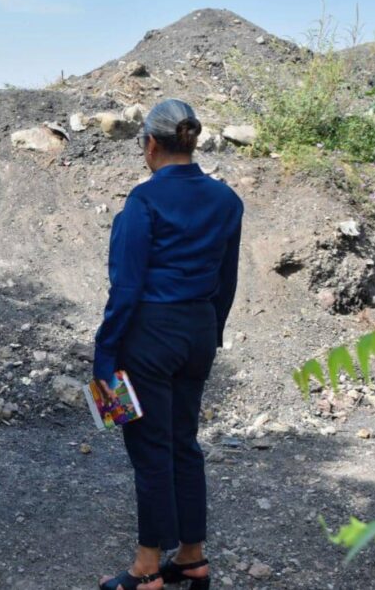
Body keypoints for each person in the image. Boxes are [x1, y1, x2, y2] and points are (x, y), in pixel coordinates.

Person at [94, 99, 243, 590]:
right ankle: (192, 557)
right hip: (198, 330)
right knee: (184, 444)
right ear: (191, 140)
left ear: (151, 144)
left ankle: (146, 568)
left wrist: (105, 352)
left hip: (149, 335)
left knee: (151, 450)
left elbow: (126, 288)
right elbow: (227, 279)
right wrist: (210, 331)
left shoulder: (144, 203)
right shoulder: (227, 200)